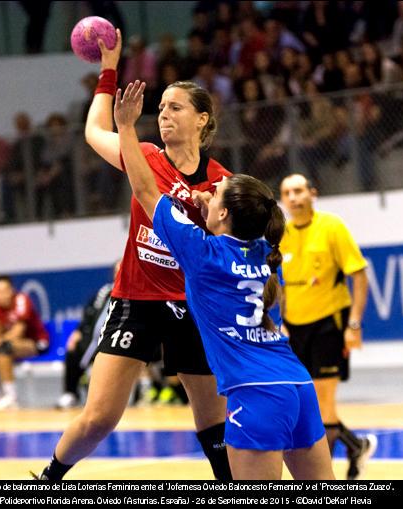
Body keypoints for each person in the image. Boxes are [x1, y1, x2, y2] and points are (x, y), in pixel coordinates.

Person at [110, 80, 334, 480]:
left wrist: (126, 127)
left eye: (216, 197)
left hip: (255, 395)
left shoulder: (202, 254)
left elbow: (145, 187)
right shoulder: (269, 255)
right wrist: (213, 206)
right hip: (298, 386)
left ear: (225, 216)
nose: (207, 196)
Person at [37, 29, 233, 481]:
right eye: (160, 107)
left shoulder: (221, 181)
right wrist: (108, 71)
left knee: (212, 419)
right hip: (136, 300)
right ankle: (47, 479)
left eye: (175, 107)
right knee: (100, 416)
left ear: (203, 119)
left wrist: (213, 215)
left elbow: (233, 242)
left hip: (192, 306)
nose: (163, 114)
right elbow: (92, 132)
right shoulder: (143, 154)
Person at [279, 174, 377, 480]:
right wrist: (281, 321)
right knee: (305, 402)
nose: (293, 198)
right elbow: (279, 284)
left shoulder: (331, 227)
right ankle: (355, 445)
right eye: (286, 193)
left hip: (328, 326)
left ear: (312, 194)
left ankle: (322, 475)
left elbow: (359, 276)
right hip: (295, 330)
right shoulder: (281, 234)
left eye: (298, 191)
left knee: (323, 404)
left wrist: (354, 324)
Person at [57, 260, 121, 409]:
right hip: (92, 339)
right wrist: (78, 331)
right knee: (73, 350)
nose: (119, 273)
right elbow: (89, 315)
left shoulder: (136, 292)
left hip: (116, 340)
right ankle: (70, 393)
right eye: (117, 270)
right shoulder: (104, 291)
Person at [0, 276, 50, 411]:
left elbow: (18, 332)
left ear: (12, 290)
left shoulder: (21, 300)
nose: (2, 295)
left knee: (3, 348)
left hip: (36, 342)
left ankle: (11, 397)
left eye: (5, 290)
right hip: (12, 344)